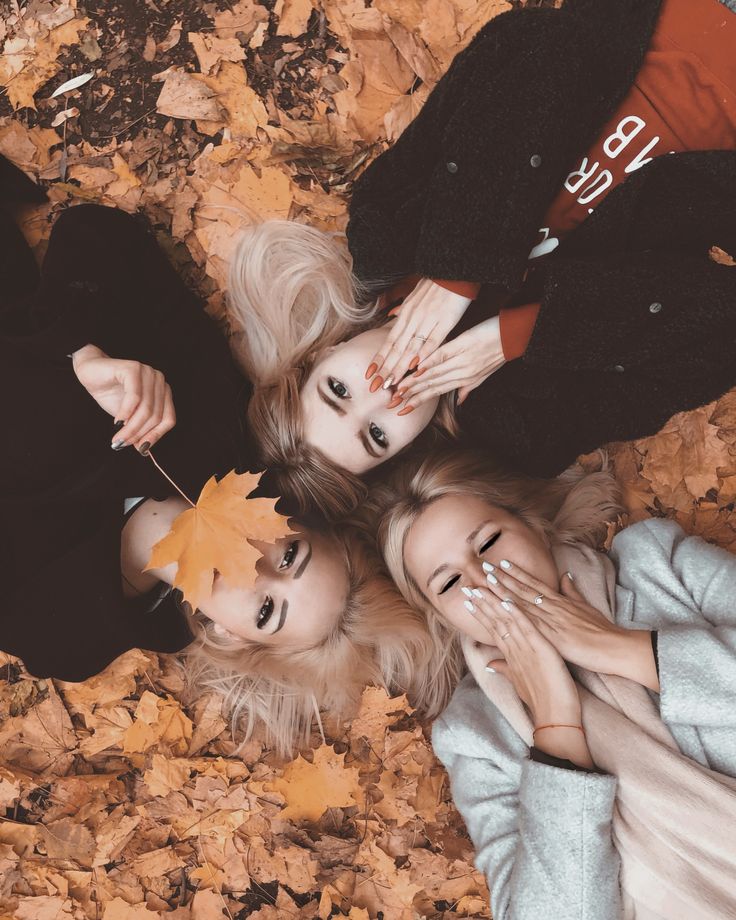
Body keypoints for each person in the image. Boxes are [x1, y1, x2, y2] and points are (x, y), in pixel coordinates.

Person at [226, 0, 736, 518]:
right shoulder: (527, 426)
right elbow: (721, 331)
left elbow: (538, 45)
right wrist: (521, 334)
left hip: (673, 22)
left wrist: (457, 270)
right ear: (402, 455)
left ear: (320, 356)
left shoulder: (387, 232)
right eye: (376, 435)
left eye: (339, 390)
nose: (385, 393)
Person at [0, 155, 431, 754]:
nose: (254, 570)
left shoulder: (64, 634)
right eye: (290, 553)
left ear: (230, 639)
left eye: (266, 614)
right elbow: (99, 235)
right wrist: (80, 350)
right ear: (286, 515)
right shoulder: (207, 422)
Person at [371, 447, 736, 919]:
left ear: (532, 523)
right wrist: (555, 722)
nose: (484, 580)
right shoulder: (474, 734)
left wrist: (616, 647)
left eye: (487, 543)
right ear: (440, 616)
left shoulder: (659, 564)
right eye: (447, 584)